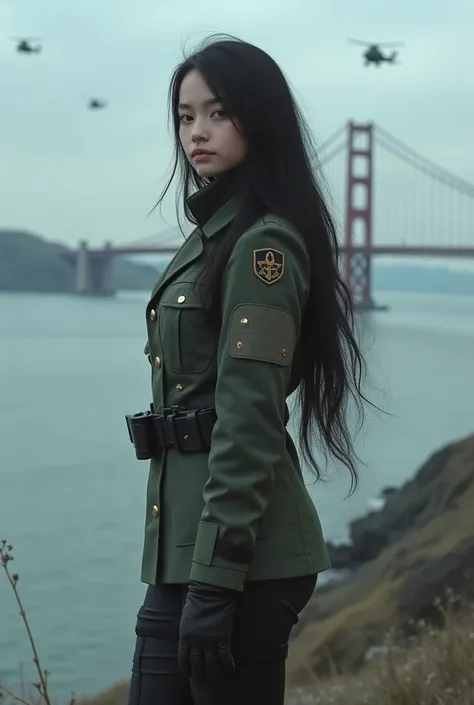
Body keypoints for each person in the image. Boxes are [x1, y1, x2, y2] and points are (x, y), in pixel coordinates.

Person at [125, 34, 370, 705]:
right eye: (185, 115)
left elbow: (249, 419)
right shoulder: (211, 235)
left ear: (258, 119)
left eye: (218, 112)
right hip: (186, 552)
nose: (197, 132)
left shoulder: (262, 246)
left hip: (242, 561)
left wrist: (215, 581)